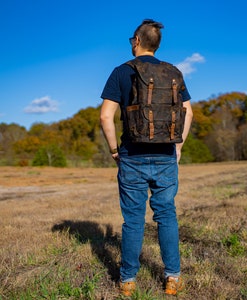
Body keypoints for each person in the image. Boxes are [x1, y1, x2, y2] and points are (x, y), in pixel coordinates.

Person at [100, 19, 193, 297]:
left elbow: (106, 116)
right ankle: (172, 278)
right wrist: (178, 147)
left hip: (132, 155)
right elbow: (189, 112)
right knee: (166, 215)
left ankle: (128, 280)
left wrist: (114, 150)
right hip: (166, 153)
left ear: (137, 41)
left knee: (133, 220)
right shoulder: (174, 72)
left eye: (132, 39)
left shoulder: (121, 72)